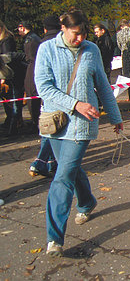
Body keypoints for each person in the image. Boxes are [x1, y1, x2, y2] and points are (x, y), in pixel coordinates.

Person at [34, 8, 123, 257]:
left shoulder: (91, 50)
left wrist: (115, 117)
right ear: (63, 28)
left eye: (84, 34)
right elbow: (44, 87)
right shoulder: (47, 50)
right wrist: (74, 104)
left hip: (82, 125)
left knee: (62, 176)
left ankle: (54, 239)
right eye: (76, 34)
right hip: (56, 123)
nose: (80, 39)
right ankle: (86, 202)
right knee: (69, 168)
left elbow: (103, 86)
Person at [29, 15, 62, 177]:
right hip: (61, 97)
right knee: (52, 131)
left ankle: (45, 162)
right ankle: (43, 162)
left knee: (49, 130)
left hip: (50, 97)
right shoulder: (49, 45)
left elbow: (41, 77)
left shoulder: (43, 44)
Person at [18, 21, 42, 131]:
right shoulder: (34, 38)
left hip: (33, 69)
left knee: (32, 96)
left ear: (22, 28)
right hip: (34, 68)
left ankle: (35, 122)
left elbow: (30, 58)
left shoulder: (30, 40)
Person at [0, 20, 20, 134]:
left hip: (8, 73)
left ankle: (13, 124)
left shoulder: (6, 40)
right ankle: (10, 121)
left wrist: (4, 77)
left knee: (11, 99)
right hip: (4, 72)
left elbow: (7, 58)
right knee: (7, 99)